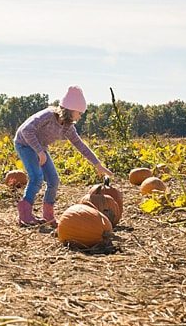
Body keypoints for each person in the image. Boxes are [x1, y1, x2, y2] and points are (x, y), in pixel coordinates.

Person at [13, 86, 114, 227]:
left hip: (40, 148)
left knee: (53, 180)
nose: (80, 116)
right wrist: (39, 151)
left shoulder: (68, 126)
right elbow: (26, 130)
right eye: (79, 112)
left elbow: (80, 145)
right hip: (24, 144)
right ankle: (24, 214)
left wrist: (97, 164)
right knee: (36, 177)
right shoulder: (47, 115)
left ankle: (48, 215)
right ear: (71, 109)